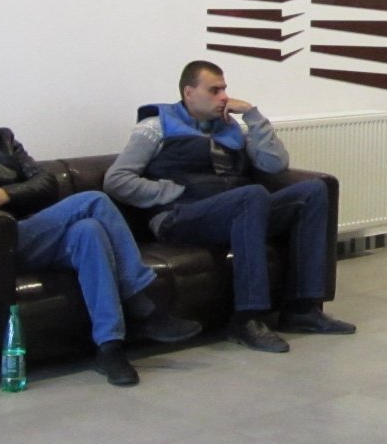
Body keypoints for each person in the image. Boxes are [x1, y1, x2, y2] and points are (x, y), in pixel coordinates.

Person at [0, 75, 201, 387]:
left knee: (89, 231)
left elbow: (45, 182)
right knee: (95, 201)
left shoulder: (1, 140)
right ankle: (144, 304)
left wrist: (4, 194)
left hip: (32, 233)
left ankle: (110, 347)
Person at [104, 60, 354, 352]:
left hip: (238, 211)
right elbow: (116, 180)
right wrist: (166, 191)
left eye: (224, 89)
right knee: (252, 195)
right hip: (180, 217)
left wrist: (252, 115)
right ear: (189, 93)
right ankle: (246, 318)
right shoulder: (155, 126)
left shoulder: (230, 127)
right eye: (214, 90)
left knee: (313, 191)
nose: (224, 97)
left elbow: (275, 164)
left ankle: (301, 309)